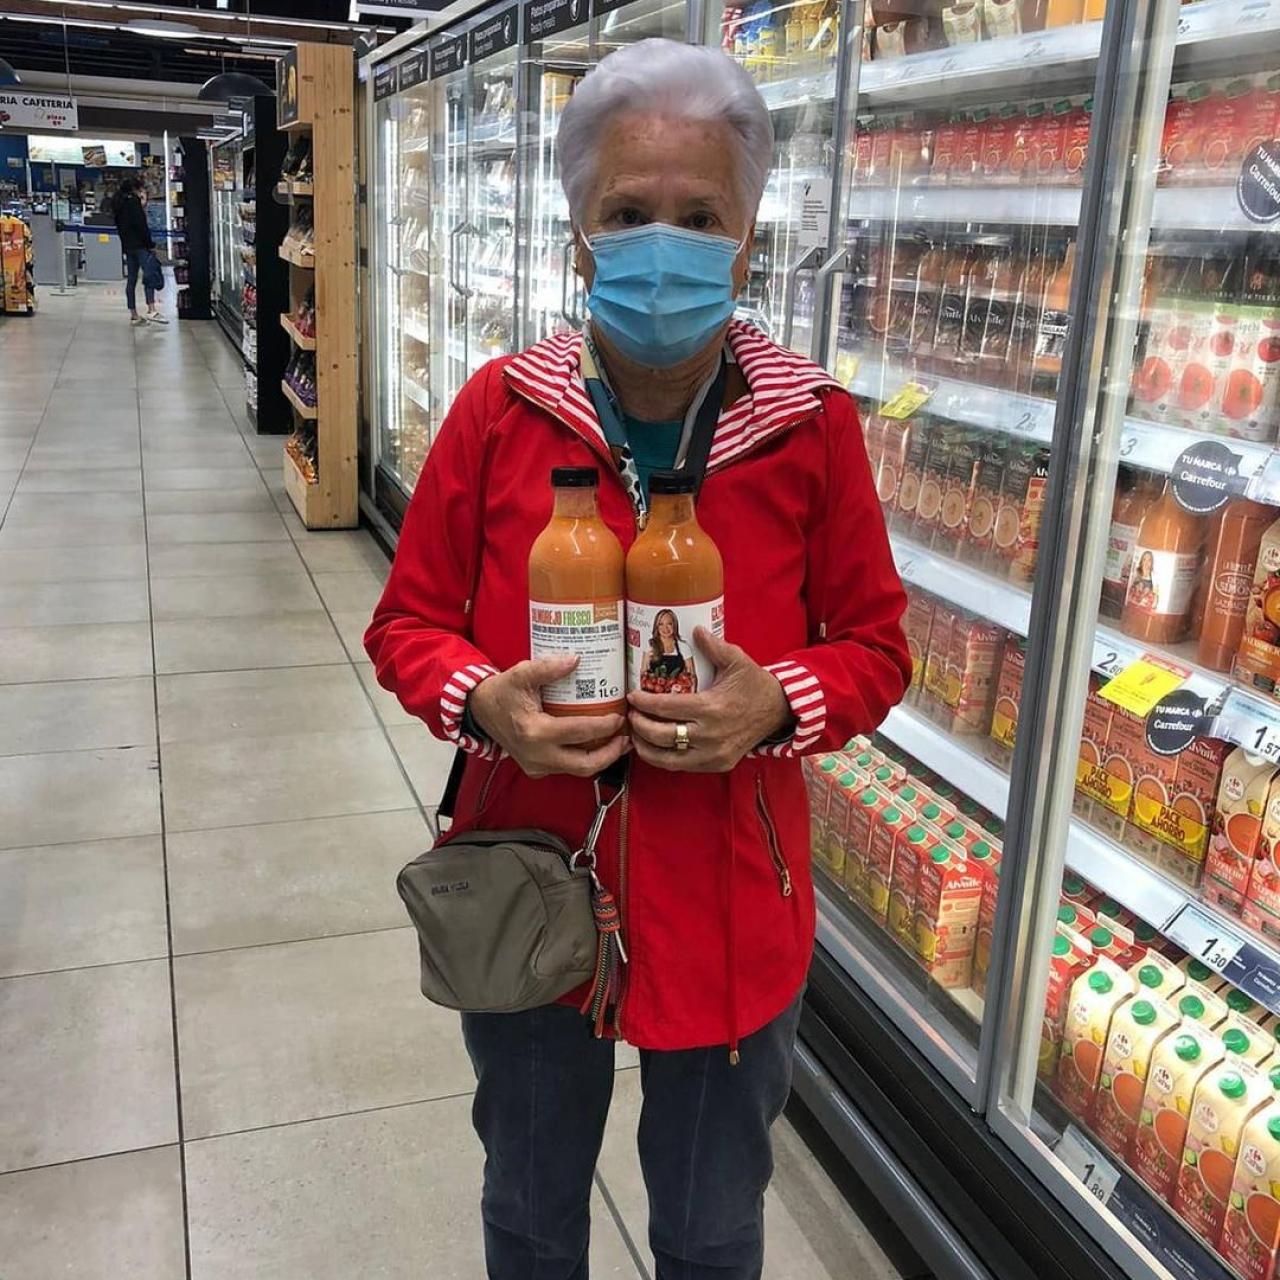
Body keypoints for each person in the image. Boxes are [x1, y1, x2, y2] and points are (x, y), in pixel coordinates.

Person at [365, 38, 910, 1280]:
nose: (660, 240)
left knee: (713, 1228)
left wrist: (778, 701)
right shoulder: (500, 411)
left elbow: (876, 647)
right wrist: (483, 703)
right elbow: (406, 624)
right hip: (529, 879)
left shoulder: (809, 427)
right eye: (626, 212)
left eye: (698, 214)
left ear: (746, 242)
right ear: (578, 240)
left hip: (728, 892)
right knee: (530, 1201)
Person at [113, 176, 166, 325]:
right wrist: (150, 243)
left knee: (131, 279)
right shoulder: (133, 203)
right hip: (141, 245)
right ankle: (151, 309)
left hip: (128, 246)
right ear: (136, 189)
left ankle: (134, 314)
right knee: (149, 274)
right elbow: (141, 225)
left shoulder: (118, 203)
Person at [642, 607, 698, 693]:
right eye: (661, 624)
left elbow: (692, 677)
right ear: (656, 626)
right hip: (655, 697)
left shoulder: (683, 647)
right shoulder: (650, 645)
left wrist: (692, 699)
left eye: (669, 624)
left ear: (674, 625)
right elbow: (643, 675)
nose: (665, 628)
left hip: (678, 697)